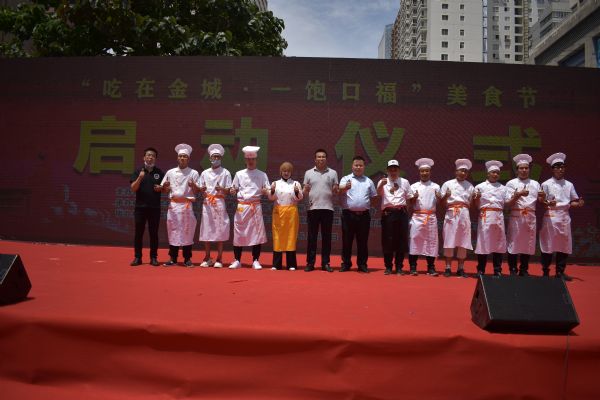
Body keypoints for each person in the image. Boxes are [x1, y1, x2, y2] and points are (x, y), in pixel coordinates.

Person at [539, 153, 584, 281]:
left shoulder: (569, 184)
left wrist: (578, 204)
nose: (560, 169)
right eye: (557, 167)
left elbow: (573, 201)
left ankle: (560, 272)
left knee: (563, 245)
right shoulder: (546, 184)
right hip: (551, 216)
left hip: (564, 216)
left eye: (562, 167)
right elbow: (542, 201)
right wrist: (548, 203)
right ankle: (546, 271)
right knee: (548, 244)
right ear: (552, 169)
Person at [229, 146, 270, 270]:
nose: (250, 161)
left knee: (256, 234)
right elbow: (233, 189)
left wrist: (266, 191)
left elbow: (268, 190)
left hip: (255, 207)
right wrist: (232, 191)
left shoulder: (262, 174)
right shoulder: (239, 174)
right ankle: (237, 260)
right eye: (248, 159)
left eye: (253, 159)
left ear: (256, 160)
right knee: (238, 233)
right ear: (245, 160)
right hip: (242, 207)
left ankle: (256, 260)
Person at [160, 144, 200, 267]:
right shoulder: (170, 172)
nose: (182, 158)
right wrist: (165, 187)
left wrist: (193, 185)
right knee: (173, 231)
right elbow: (164, 189)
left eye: (185, 156)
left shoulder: (193, 173)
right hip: (174, 205)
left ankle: (187, 258)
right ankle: (173, 258)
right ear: (177, 158)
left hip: (186, 205)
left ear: (188, 159)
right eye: (181, 156)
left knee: (187, 231)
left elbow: (197, 191)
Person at [505, 154, 543, 276]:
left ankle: (524, 269)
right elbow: (508, 203)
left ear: (529, 169)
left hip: (530, 217)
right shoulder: (511, 183)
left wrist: (544, 198)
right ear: (517, 170)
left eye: (526, 168)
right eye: (521, 168)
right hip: (516, 216)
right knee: (513, 242)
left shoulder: (535, 184)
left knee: (528, 243)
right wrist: (518, 195)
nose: (524, 170)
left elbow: (541, 200)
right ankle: (512, 269)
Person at [339, 156, 377, 273]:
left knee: (363, 241)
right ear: (352, 166)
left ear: (364, 167)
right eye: (356, 165)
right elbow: (339, 191)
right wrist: (345, 188)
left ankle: (362, 264)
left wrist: (366, 205)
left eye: (360, 165)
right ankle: (346, 264)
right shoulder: (346, 179)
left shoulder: (368, 181)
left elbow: (374, 197)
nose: (358, 167)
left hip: (364, 215)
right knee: (347, 241)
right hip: (348, 215)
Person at [303, 149, 339, 272]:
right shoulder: (308, 173)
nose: (321, 159)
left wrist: (336, 189)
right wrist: (305, 190)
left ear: (326, 159)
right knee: (312, 237)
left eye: (323, 156)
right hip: (313, 208)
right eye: (319, 157)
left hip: (328, 208)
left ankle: (326, 263)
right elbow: (305, 191)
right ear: (315, 159)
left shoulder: (333, 173)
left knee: (326, 237)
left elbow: (336, 191)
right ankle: (310, 263)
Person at [197, 144, 232, 269]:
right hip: (207, 204)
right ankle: (207, 257)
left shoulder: (225, 172)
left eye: (218, 157)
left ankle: (219, 258)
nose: (215, 158)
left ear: (221, 158)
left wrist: (221, 188)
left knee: (219, 230)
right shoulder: (205, 173)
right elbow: (200, 188)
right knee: (206, 230)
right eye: (213, 156)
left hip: (219, 202)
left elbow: (229, 190)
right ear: (210, 158)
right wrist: (202, 189)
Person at [129, 147, 165, 267]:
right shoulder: (138, 171)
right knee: (138, 233)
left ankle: (153, 257)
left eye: (153, 156)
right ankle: (137, 257)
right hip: (140, 208)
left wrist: (162, 188)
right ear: (144, 157)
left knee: (153, 233)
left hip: (154, 208)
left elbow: (165, 189)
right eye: (148, 155)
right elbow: (133, 188)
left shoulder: (159, 172)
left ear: (155, 158)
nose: (150, 157)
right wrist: (140, 177)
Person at [440, 159, 475, 278]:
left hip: (464, 214)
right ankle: (448, 267)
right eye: (461, 170)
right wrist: (446, 196)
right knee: (449, 240)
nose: (463, 173)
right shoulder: (447, 184)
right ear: (456, 171)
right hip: (451, 213)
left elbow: (470, 204)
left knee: (463, 241)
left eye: (466, 171)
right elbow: (442, 203)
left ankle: (460, 268)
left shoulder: (470, 186)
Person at [377, 160, 414, 275]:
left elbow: (409, 198)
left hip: (401, 213)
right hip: (388, 213)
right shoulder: (383, 181)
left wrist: (405, 211)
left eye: (395, 169)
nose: (393, 172)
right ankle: (388, 266)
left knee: (401, 240)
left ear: (399, 170)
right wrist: (381, 185)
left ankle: (399, 267)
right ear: (387, 170)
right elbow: (378, 193)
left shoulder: (405, 182)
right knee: (388, 239)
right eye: (391, 170)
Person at [473, 160, 507, 277]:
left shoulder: (503, 188)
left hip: (498, 216)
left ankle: (497, 270)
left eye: (497, 173)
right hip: (485, 216)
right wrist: (477, 198)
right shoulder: (480, 187)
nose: (495, 174)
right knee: (483, 242)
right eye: (493, 172)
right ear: (488, 174)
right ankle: (481, 269)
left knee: (498, 243)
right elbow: (476, 205)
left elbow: (507, 203)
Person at [408, 158, 441, 277]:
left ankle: (431, 267)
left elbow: (440, 202)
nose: (424, 173)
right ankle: (413, 267)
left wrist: (440, 197)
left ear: (430, 172)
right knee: (414, 240)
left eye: (427, 171)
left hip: (430, 217)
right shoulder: (413, 186)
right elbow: (410, 203)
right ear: (419, 172)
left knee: (431, 241)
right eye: (422, 171)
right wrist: (414, 198)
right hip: (417, 216)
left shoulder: (436, 186)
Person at [269, 162, 303, 270]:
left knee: (291, 237)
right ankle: (276, 264)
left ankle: (291, 264)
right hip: (278, 212)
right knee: (277, 237)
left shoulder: (296, 183)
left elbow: (300, 197)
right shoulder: (275, 183)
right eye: (284, 171)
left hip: (291, 213)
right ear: (281, 172)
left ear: (291, 172)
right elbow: (271, 198)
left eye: (288, 171)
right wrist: (272, 191)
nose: (286, 173)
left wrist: (297, 192)